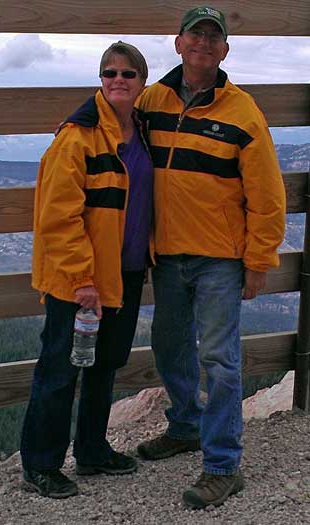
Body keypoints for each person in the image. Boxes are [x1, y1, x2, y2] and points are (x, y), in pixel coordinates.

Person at [135, 6, 286, 509]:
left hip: (220, 257)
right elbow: (107, 116)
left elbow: (267, 195)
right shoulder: (151, 100)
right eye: (193, 35)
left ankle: (223, 465)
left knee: (219, 360)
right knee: (170, 347)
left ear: (224, 50)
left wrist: (258, 261)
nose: (202, 43)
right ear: (177, 44)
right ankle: (184, 426)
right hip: (167, 255)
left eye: (212, 37)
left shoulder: (243, 112)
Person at [20, 41, 153, 499]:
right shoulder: (76, 137)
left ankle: (93, 451)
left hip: (126, 272)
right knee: (60, 368)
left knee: (105, 366)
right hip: (81, 282)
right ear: (100, 80)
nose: (118, 80)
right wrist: (82, 280)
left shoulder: (141, 131)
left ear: (142, 83)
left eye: (128, 74)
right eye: (109, 72)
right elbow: (57, 219)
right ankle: (40, 464)